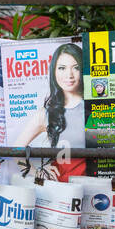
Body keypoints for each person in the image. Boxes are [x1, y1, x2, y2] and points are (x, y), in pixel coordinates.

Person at [11, 43, 85, 180]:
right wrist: (36, 172)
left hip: (96, 190)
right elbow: (16, 150)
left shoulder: (95, 107)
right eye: (62, 68)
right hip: (61, 191)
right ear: (54, 71)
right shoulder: (46, 113)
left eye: (76, 68)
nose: (69, 75)